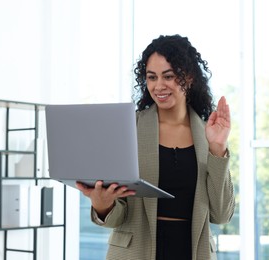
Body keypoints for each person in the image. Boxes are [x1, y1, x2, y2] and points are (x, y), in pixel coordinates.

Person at [76, 34, 235, 260]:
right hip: (135, 252)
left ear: (188, 77)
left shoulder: (207, 133)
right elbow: (117, 216)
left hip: (191, 252)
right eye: (151, 77)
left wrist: (218, 149)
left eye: (168, 76)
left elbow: (221, 214)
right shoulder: (129, 127)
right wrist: (103, 205)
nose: (159, 86)